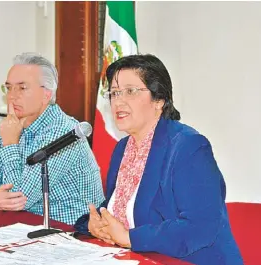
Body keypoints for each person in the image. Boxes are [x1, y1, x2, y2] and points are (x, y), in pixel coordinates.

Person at [74, 54, 243, 265]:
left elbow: (199, 227)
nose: (118, 101)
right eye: (114, 93)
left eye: (130, 91)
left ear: (159, 100)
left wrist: (129, 238)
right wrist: (92, 224)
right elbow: (119, 207)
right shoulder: (122, 149)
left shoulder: (188, 147)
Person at [0, 52, 104, 225]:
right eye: (9, 88)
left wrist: (10, 143)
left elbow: (19, 198)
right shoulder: (12, 126)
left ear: (46, 95)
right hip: (27, 225)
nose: (12, 96)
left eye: (22, 88)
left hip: (70, 230)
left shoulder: (64, 132)